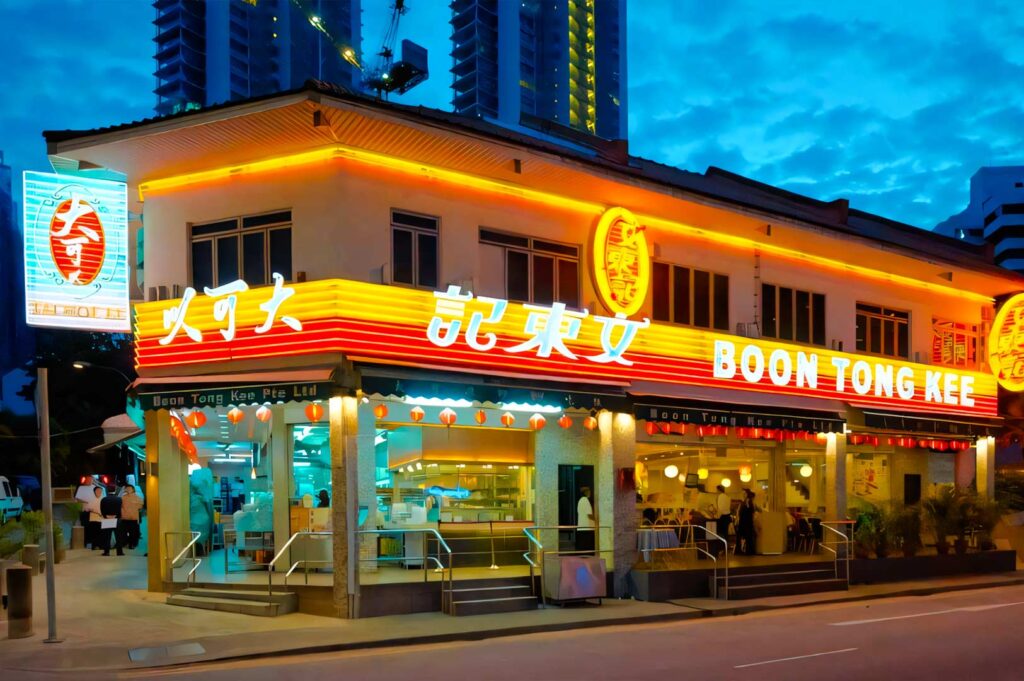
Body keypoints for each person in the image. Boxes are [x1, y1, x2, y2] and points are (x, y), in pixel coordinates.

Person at [98, 486, 124, 556]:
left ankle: (106, 552)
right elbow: (121, 509)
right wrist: (116, 515)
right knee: (118, 536)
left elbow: (102, 509)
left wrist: (106, 516)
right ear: (115, 490)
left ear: (107, 490)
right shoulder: (119, 499)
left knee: (107, 536)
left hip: (107, 519)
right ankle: (119, 552)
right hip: (117, 519)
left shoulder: (104, 499)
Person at [119, 485, 144, 550]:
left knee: (133, 532)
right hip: (124, 517)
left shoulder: (137, 497)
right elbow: (120, 506)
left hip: (133, 518)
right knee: (124, 532)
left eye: (129, 488)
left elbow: (140, 506)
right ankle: (125, 543)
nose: (128, 489)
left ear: (133, 489)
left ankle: (132, 544)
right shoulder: (123, 497)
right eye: (127, 488)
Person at [75, 476, 98, 545]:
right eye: (88, 479)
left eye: (91, 479)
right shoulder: (81, 488)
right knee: (85, 526)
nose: (89, 481)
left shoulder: (95, 488)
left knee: (93, 527)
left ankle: (93, 543)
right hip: (84, 511)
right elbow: (77, 499)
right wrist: (85, 501)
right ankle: (85, 542)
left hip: (94, 511)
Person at [736, 489, 759, 556]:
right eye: (743, 493)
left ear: (747, 494)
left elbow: (750, 510)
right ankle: (743, 550)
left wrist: (747, 504)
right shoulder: (744, 501)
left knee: (747, 536)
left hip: (746, 522)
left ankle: (747, 551)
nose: (743, 495)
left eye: (745, 493)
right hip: (744, 521)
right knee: (744, 536)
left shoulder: (748, 501)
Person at [576, 486, 595, 553]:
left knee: (583, 547)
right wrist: (597, 520)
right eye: (589, 491)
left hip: (582, 527)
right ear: (585, 492)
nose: (590, 493)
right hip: (587, 527)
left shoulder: (580, 500)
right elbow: (589, 515)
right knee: (587, 548)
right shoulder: (585, 500)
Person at [714, 484, 732, 555]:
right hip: (727, 516)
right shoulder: (727, 496)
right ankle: (725, 548)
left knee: (720, 533)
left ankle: (721, 548)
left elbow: (720, 508)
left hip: (722, 517)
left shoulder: (720, 496)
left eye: (716, 490)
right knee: (725, 533)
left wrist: (717, 516)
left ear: (719, 490)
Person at [86, 486, 104, 551]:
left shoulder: (103, 499)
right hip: (93, 519)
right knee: (94, 533)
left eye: (100, 491)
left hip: (102, 519)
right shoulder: (91, 499)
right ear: (94, 492)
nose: (99, 492)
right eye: (97, 491)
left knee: (101, 533)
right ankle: (95, 546)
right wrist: (96, 511)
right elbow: (87, 508)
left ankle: (101, 545)